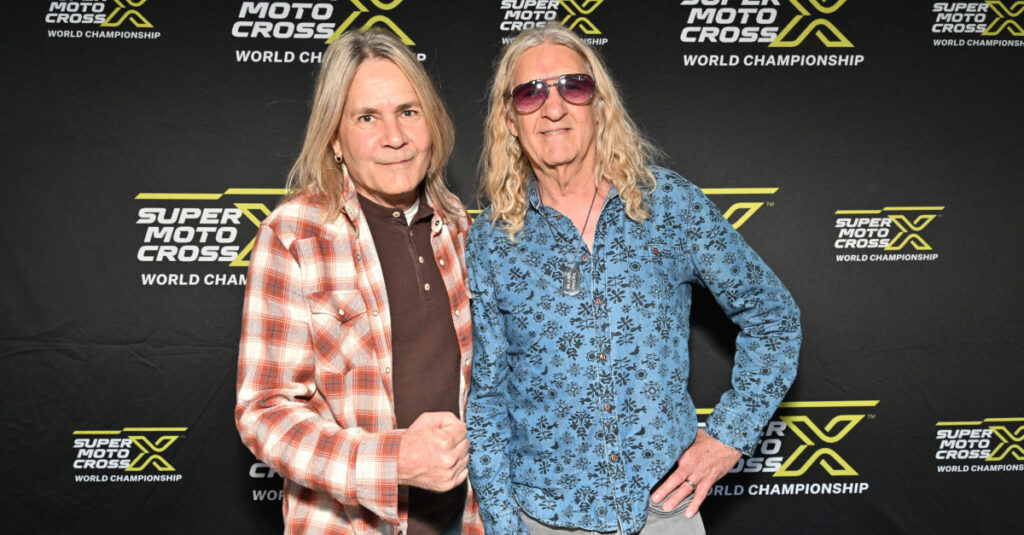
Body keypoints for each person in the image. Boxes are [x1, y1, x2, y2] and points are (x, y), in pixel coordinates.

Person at [466, 26, 801, 534]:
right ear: (509, 120)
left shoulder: (669, 206)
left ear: (599, 104)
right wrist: (502, 526)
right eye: (530, 92)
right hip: (545, 520)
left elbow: (774, 319)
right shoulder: (491, 240)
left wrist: (729, 436)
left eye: (572, 86)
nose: (553, 107)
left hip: (666, 512)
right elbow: (487, 399)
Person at [235, 30, 482, 535]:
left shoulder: (461, 229)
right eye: (367, 117)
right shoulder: (294, 235)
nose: (395, 136)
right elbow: (264, 412)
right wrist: (392, 463)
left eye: (409, 112)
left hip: (469, 521)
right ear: (335, 138)